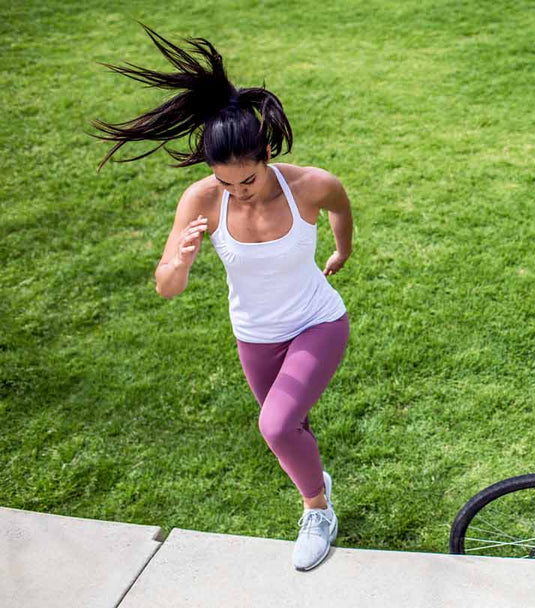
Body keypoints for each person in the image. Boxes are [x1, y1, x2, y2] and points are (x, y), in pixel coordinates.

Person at [93, 25, 352, 571]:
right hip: (254, 336)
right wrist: (180, 262)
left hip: (316, 321)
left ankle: (318, 511)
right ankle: (315, 477)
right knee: (290, 427)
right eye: (227, 183)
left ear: (266, 154)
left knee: (277, 426)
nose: (239, 192)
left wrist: (341, 252)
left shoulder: (306, 184)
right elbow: (166, 286)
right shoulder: (203, 199)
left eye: (249, 180)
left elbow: (341, 207)